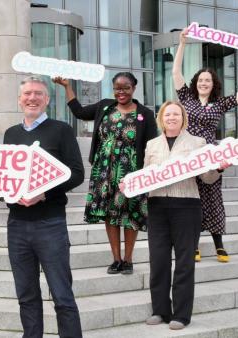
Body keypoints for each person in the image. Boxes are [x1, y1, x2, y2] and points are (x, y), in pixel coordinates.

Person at [172, 27, 238, 263]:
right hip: (188, 153)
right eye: (200, 80)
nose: (204, 83)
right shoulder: (186, 98)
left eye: (208, 80)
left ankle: (219, 244)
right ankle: (194, 245)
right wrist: (182, 44)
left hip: (211, 156)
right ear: (195, 83)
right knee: (192, 199)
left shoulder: (220, 104)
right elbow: (175, 72)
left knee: (213, 197)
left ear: (213, 84)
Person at [121, 101, 229, 330]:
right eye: (167, 114)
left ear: (183, 118)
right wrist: (129, 184)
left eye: (176, 114)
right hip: (157, 207)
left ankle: (181, 314)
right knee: (158, 260)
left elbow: (207, 178)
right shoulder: (152, 144)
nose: (171, 117)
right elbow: (145, 175)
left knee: (184, 262)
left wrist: (218, 168)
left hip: (187, 207)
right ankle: (160, 310)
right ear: (161, 118)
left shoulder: (197, 143)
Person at [4, 76, 85, 338]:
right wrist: (9, 194)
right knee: (26, 295)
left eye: (39, 93)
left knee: (62, 295)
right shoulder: (10, 134)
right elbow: (4, 178)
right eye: (27, 93)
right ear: (19, 100)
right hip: (17, 226)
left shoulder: (60, 130)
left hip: (50, 224)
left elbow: (77, 173)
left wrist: (44, 193)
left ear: (47, 99)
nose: (32, 98)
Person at [54, 73, 157, 275]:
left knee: (131, 214)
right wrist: (66, 86)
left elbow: (153, 144)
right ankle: (116, 259)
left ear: (134, 88)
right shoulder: (105, 106)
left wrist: (149, 173)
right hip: (104, 170)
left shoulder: (145, 113)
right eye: (117, 88)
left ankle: (128, 259)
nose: (121, 92)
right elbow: (80, 112)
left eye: (125, 87)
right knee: (111, 214)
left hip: (131, 171)